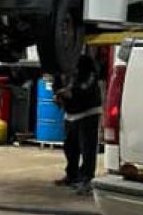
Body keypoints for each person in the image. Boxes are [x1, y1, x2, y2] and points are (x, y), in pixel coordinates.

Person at [52, 55, 103, 195]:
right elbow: (56, 85)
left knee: (87, 148)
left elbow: (88, 84)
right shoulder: (58, 67)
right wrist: (57, 95)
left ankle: (87, 179)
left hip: (88, 112)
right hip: (71, 113)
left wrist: (72, 92)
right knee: (69, 147)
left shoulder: (86, 64)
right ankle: (72, 175)